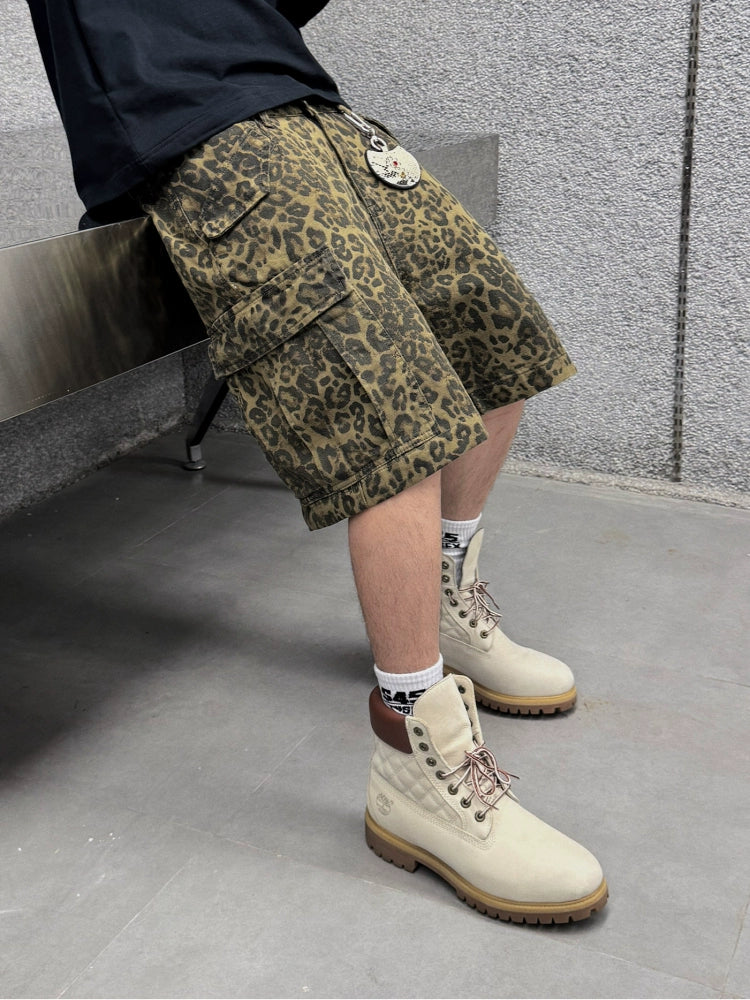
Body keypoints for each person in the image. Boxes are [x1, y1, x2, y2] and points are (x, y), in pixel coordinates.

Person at [27, 0, 607, 923]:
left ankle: (446, 596)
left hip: (309, 104)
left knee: (498, 335)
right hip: (191, 126)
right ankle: (417, 755)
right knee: (391, 410)